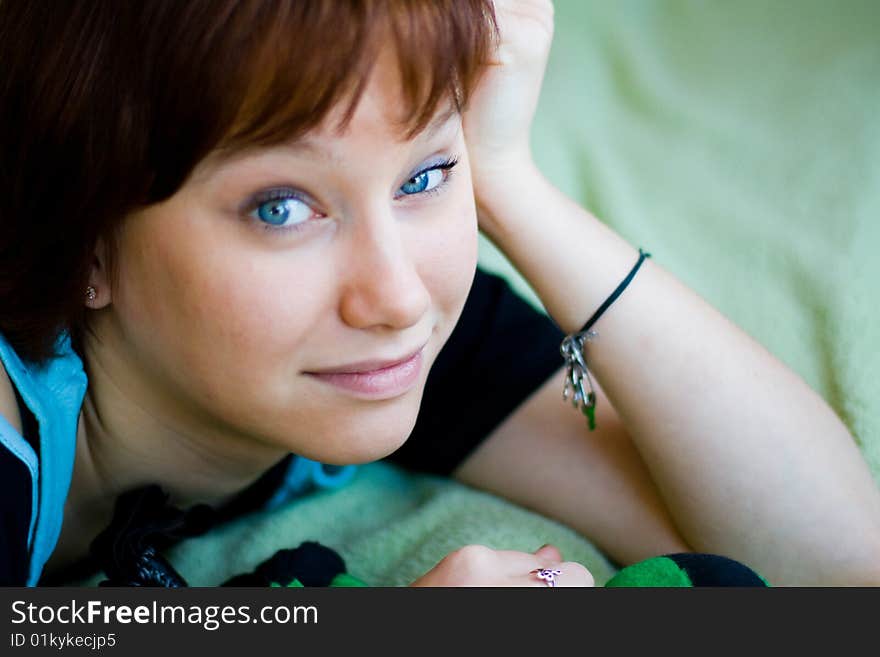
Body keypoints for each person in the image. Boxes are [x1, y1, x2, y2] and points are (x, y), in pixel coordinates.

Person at [1, 0, 878, 588]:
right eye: (282, 207)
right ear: (86, 240)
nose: (396, 296)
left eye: (423, 175)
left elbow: (835, 561)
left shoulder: (388, 342)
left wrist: (502, 177)